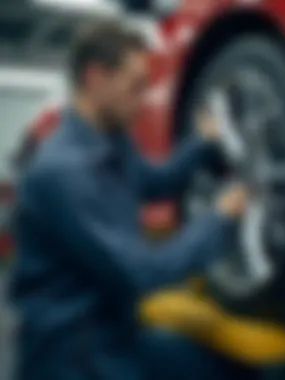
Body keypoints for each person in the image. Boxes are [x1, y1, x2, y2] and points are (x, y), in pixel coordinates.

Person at [11, 21, 249, 380]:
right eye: (135, 87)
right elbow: (141, 273)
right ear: (95, 78)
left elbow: (157, 181)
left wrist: (201, 143)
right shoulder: (63, 173)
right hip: (73, 354)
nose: (144, 100)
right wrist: (217, 220)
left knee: (233, 369)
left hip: (116, 331)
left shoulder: (114, 139)